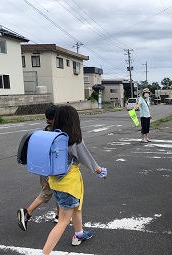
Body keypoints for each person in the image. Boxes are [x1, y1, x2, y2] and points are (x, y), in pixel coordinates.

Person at [39, 105, 107, 255]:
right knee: (63, 220)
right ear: (74, 121)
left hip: (55, 182)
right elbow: (87, 159)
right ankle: (44, 253)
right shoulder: (74, 140)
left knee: (76, 208)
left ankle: (79, 233)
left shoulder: (52, 136)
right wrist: (99, 171)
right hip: (69, 184)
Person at [17, 104, 60, 231]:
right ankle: (27, 213)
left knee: (58, 191)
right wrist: (47, 174)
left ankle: (59, 215)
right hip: (50, 169)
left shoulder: (46, 129)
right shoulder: (54, 132)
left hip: (45, 167)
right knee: (47, 193)